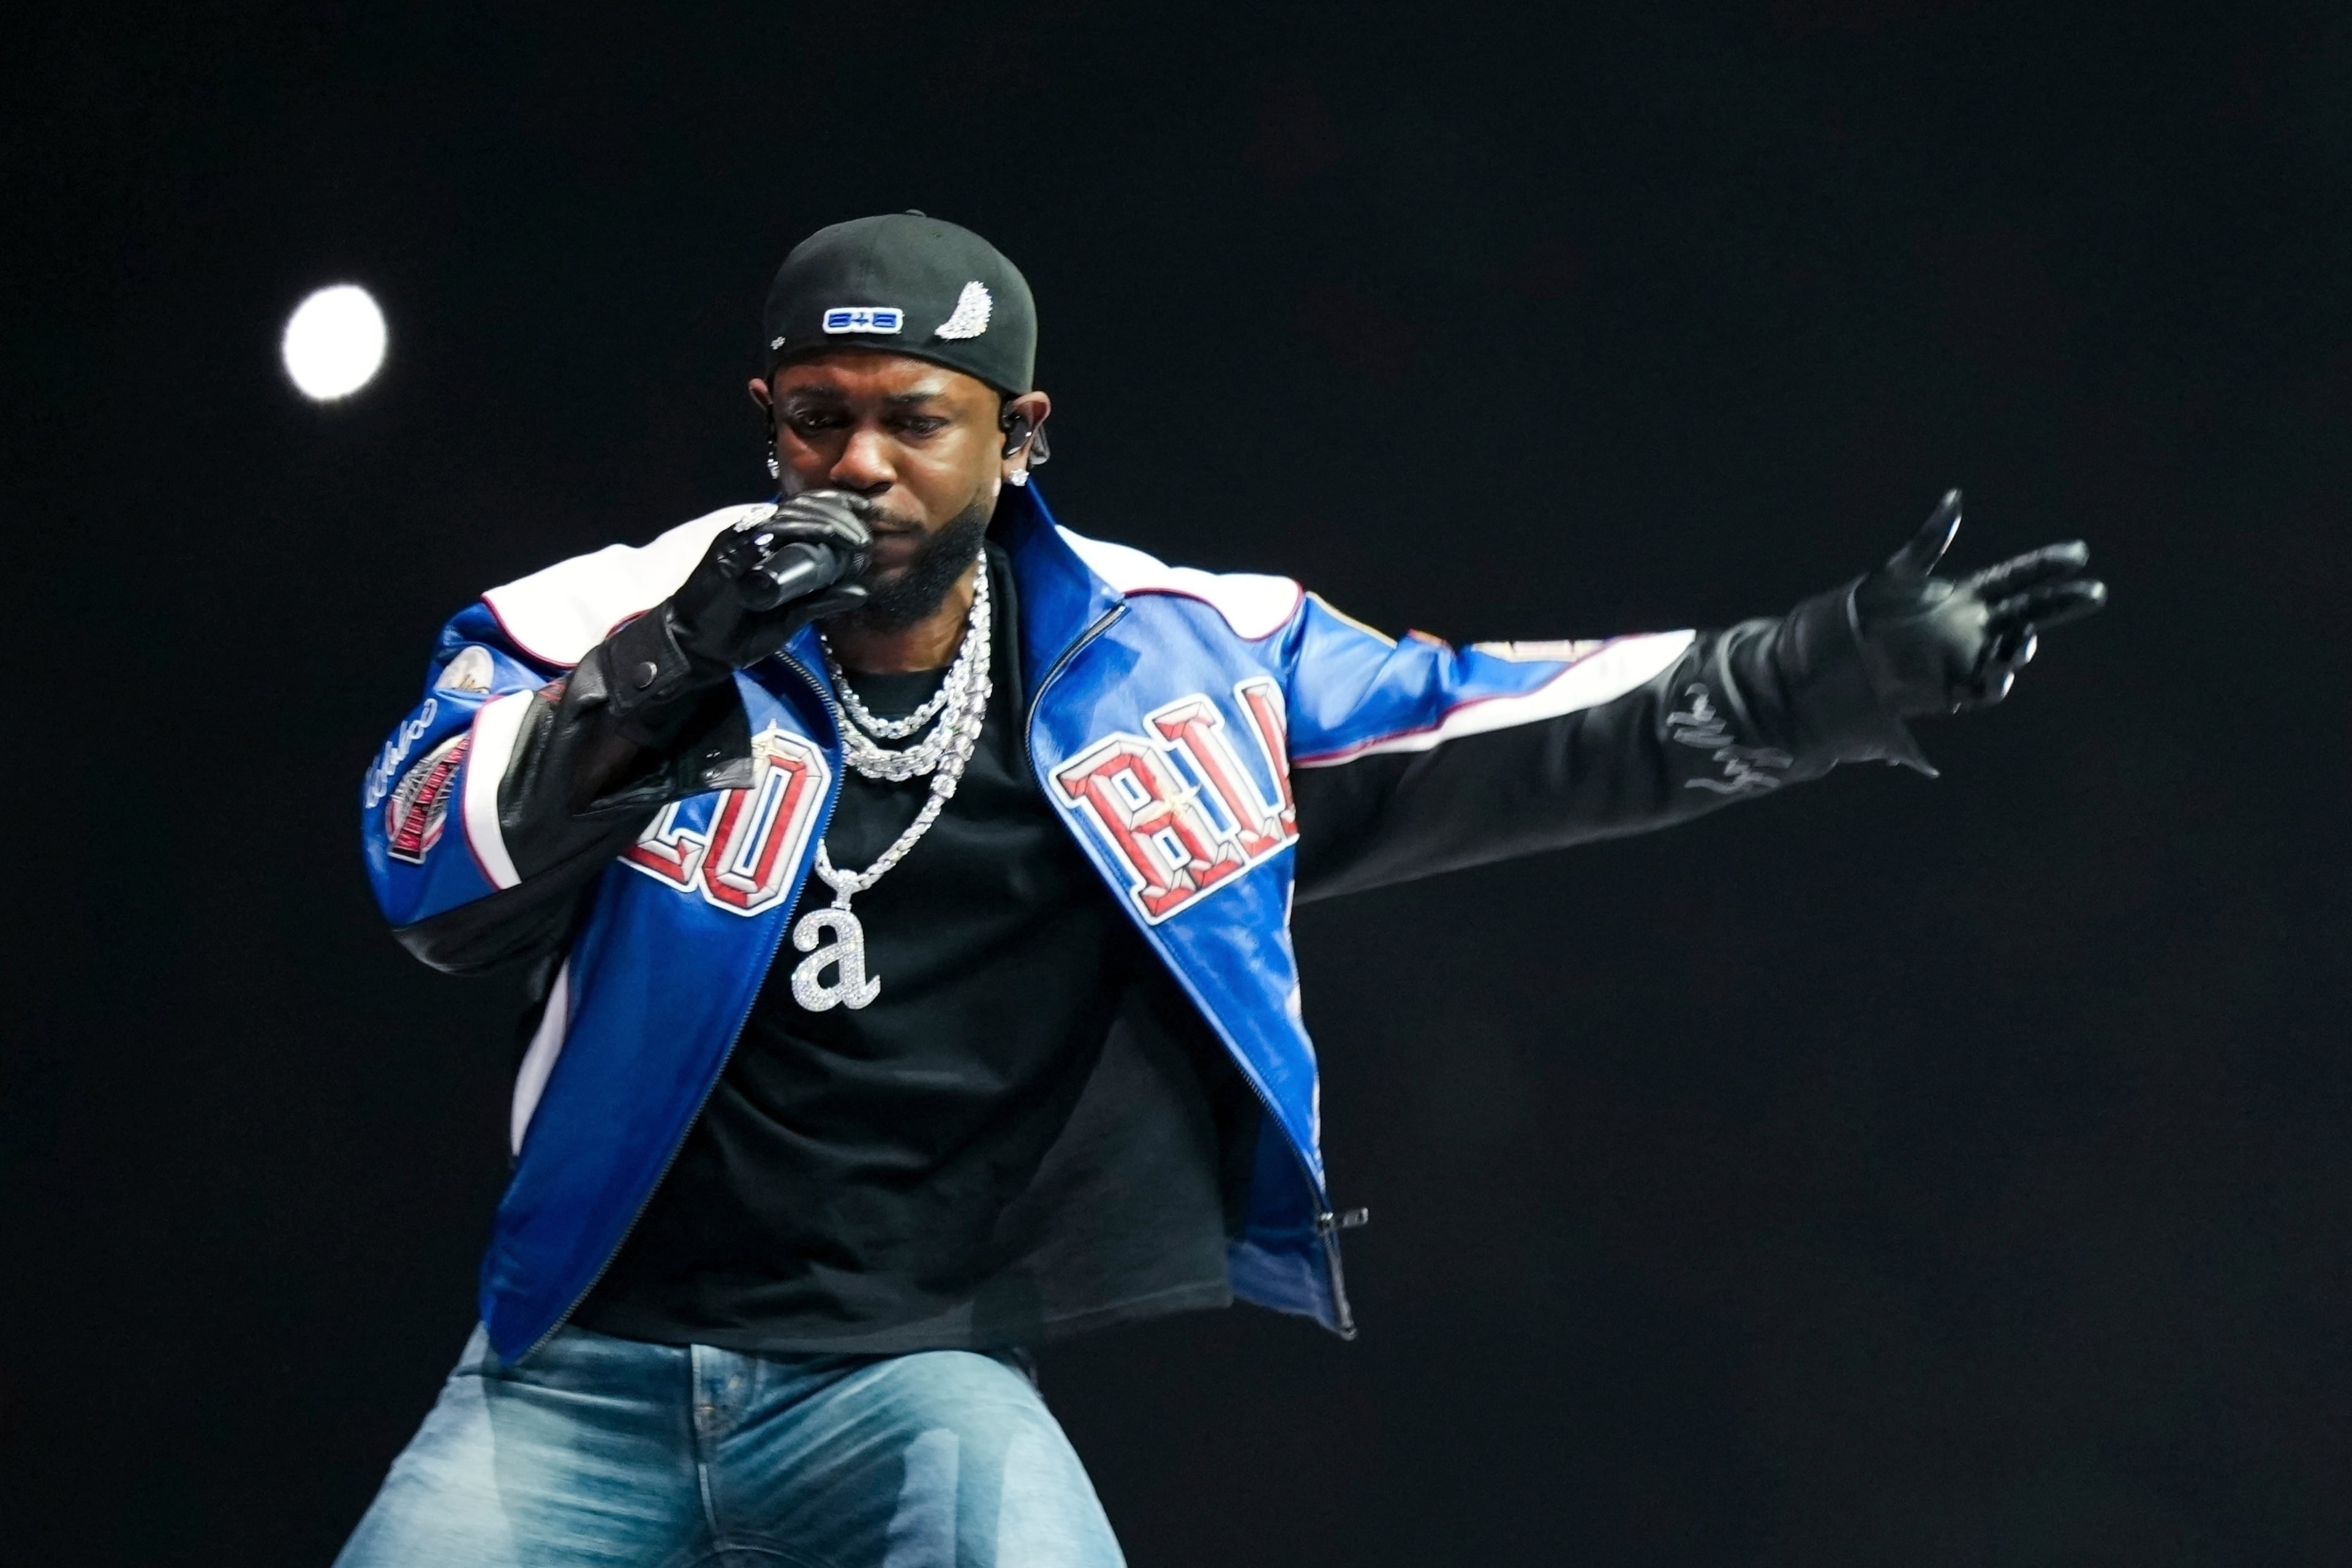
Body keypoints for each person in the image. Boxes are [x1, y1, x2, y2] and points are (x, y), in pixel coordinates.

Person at [340, 213, 2105, 1567]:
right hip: (578, 1371)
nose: (859, 465)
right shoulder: (601, 617)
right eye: (818, 420)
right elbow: (426, 869)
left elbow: (1474, 716)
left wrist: (1812, 673)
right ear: (767, 424)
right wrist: (670, 661)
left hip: (898, 1379)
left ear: (1017, 434)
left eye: (912, 421)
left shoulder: (1177, 662)